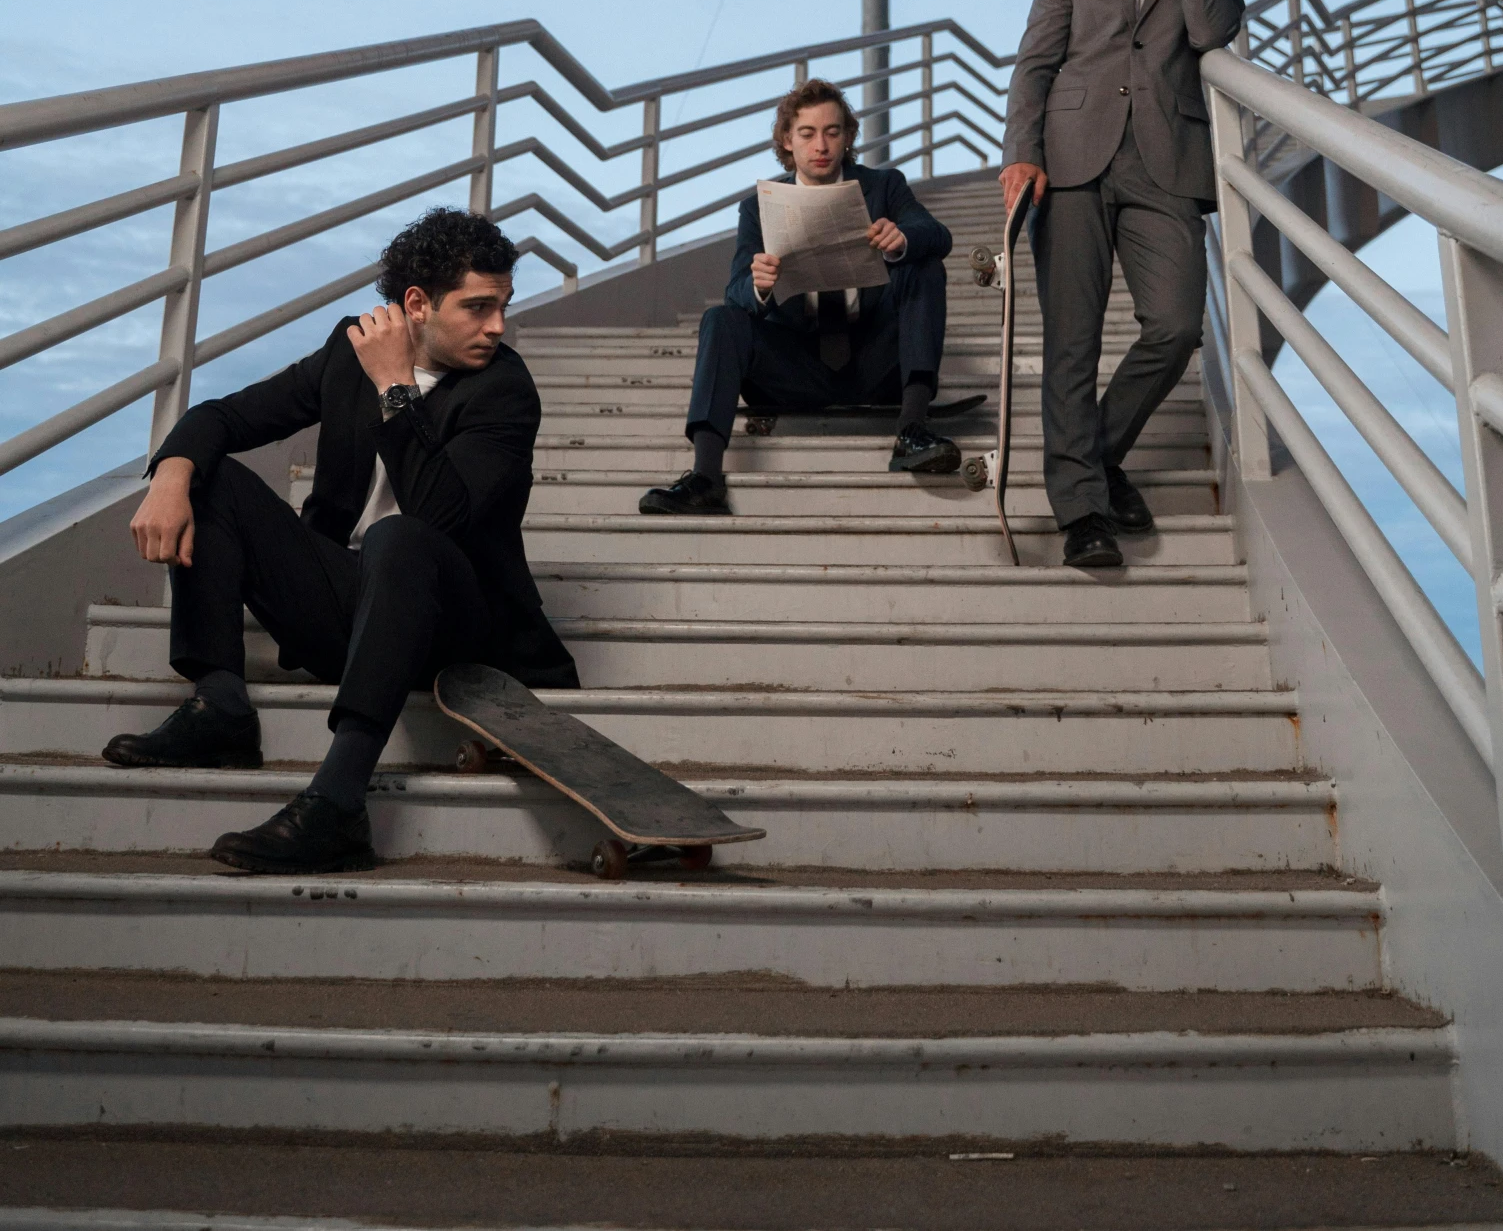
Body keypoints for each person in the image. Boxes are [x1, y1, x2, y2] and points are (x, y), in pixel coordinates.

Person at [101, 206, 576, 875]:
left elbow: (437, 517)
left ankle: (337, 801)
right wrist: (172, 475)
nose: (497, 325)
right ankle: (222, 707)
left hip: (450, 627)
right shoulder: (347, 350)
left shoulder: (504, 391)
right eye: (477, 307)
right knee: (211, 479)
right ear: (417, 304)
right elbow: (226, 416)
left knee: (399, 538)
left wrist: (395, 387)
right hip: (347, 608)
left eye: (502, 305)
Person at [1000, 0, 1244, 570]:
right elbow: (1033, 66)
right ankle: (1082, 513)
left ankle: (1095, 457)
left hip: (1167, 166)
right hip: (1071, 166)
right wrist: (1021, 155)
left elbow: (1208, 34)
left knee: (1174, 325)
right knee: (1070, 342)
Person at [639, 79, 955, 514]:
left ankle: (913, 430)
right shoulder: (758, 207)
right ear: (787, 141)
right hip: (796, 370)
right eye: (807, 133)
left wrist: (901, 238)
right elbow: (736, 294)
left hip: (876, 362)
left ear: (847, 139)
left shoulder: (884, 186)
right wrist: (760, 285)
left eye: (832, 132)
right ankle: (706, 475)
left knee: (922, 261)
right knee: (720, 319)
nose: (820, 144)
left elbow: (937, 234)